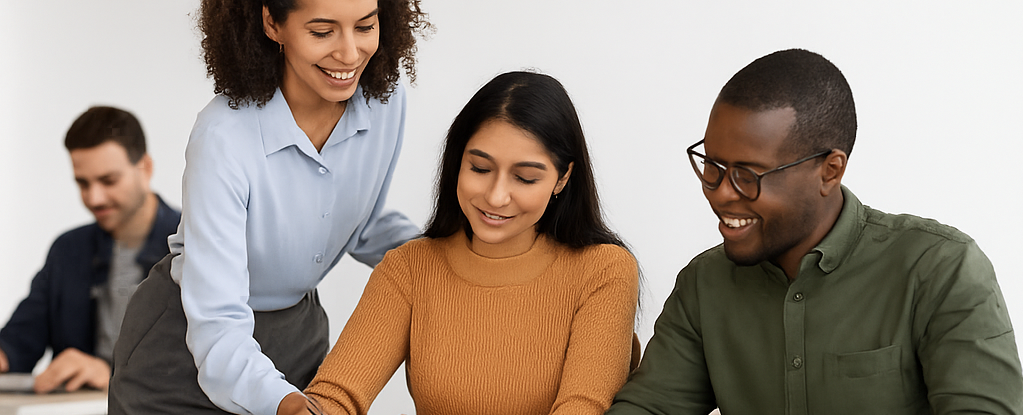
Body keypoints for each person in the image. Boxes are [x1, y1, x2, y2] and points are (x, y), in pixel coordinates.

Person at [607, 49, 1023, 414]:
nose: (720, 194)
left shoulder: (940, 268)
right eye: (712, 167)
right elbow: (651, 407)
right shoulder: (704, 284)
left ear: (830, 170)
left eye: (747, 175)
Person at [107, 0, 430, 413]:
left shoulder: (384, 100)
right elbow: (218, 326)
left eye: (365, 26)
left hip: (298, 338)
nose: (350, 54)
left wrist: (452, 258)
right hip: (183, 350)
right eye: (322, 31)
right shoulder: (225, 135)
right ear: (272, 23)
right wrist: (287, 404)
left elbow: (359, 225)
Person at [276, 71, 639, 415]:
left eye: (525, 178)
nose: (496, 197)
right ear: (457, 162)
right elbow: (337, 394)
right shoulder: (411, 267)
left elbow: (584, 407)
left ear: (562, 179)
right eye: (480, 169)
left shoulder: (604, 270)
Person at [0, 106, 180, 394]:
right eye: (83, 183)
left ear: (145, 168)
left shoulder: (195, 244)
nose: (94, 198)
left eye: (109, 181)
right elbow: (20, 339)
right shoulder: (67, 250)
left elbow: (218, 360)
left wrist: (111, 375)